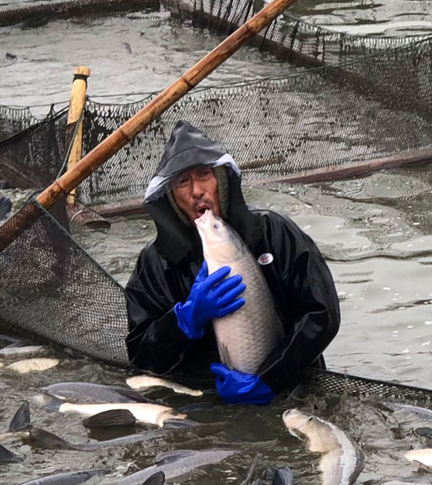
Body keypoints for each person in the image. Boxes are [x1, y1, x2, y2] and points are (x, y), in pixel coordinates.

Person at [124, 120, 340, 405]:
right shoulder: (154, 264)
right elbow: (142, 358)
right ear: (170, 195)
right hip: (202, 399)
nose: (196, 191)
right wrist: (184, 320)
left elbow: (322, 315)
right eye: (183, 182)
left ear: (222, 181)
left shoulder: (275, 233)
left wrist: (270, 379)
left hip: (288, 388)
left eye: (204, 175)